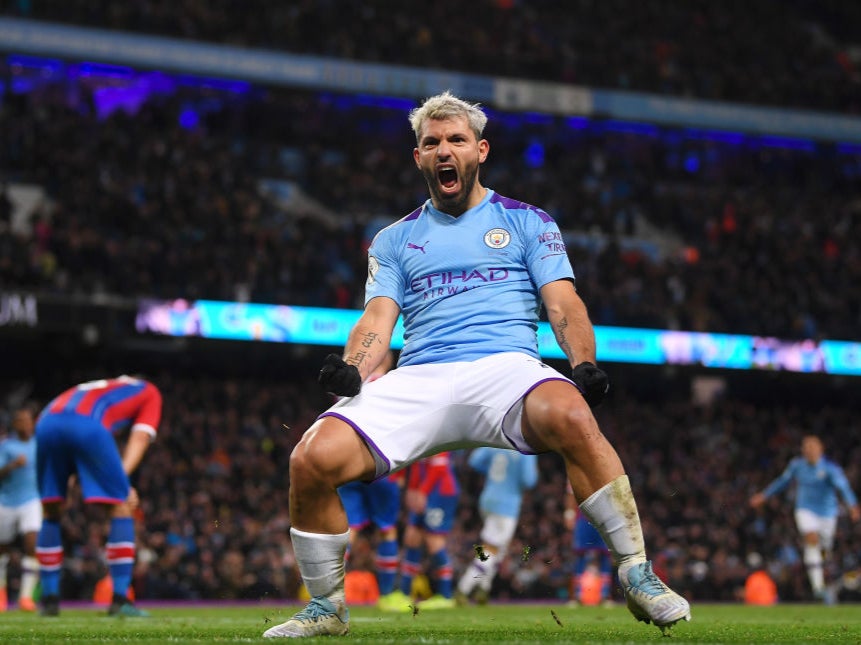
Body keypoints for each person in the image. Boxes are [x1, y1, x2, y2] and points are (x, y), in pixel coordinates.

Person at [263, 90, 691, 638]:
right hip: (420, 375)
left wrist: (582, 364)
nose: (445, 150)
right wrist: (353, 367)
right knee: (310, 458)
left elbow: (562, 303)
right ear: (418, 158)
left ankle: (637, 574)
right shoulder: (394, 239)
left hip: (507, 368)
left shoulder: (528, 221)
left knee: (572, 413)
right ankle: (327, 609)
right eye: (432, 143)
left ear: (480, 150)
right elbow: (377, 317)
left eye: (456, 140)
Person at [35, 375, 162, 617]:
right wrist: (121, 482)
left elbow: (66, 426)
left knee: (51, 509)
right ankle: (120, 600)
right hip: (87, 424)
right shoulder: (149, 390)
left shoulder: (97, 386)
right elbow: (140, 437)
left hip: (46, 421)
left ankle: (49, 601)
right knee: (122, 505)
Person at [749, 434, 860, 602]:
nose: (808, 450)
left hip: (828, 514)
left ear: (820, 449)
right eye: (806, 447)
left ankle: (822, 572)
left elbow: (843, 487)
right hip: (805, 510)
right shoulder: (797, 466)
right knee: (811, 538)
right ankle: (818, 587)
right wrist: (764, 496)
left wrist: (853, 506)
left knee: (823, 551)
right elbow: (782, 481)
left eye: (812, 447)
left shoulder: (830, 468)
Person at [336, 351, 406, 609]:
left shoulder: (345, 386)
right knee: (387, 528)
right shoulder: (390, 385)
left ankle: (331, 594)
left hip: (346, 461)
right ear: (385, 360)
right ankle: (387, 595)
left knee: (351, 529)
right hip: (379, 460)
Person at [455, 447, 538, 605]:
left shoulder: (498, 441)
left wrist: (491, 471)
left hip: (488, 498)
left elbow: (474, 460)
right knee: (492, 550)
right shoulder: (526, 449)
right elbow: (529, 480)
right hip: (507, 505)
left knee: (497, 548)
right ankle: (464, 588)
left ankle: (483, 589)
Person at [396, 452, 459, 610]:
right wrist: (412, 489)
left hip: (440, 492)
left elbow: (439, 466)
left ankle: (446, 596)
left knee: (433, 541)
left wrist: (422, 491)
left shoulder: (440, 432)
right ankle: (404, 594)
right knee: (412, 537)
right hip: (424, 490)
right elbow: (417, 462)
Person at [0, 404, 41, 612]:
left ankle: (26, 597)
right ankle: (1, 593)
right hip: (6, 501)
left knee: (32, 543)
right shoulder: (6, 447)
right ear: (15, 424)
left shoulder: (39, 445)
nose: (26, 425)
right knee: (2, 550)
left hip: (31, 500)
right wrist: (12, 466)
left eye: (28, 420)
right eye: (21, 421)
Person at [564, 485, 614, 607]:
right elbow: (571, 492)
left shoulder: (606, 467)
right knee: (580, 554)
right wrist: (569, 513)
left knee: (605, 555)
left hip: (603, 517)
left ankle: (604, 595)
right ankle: (577, 595)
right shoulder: (576, 467)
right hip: (583, 516)